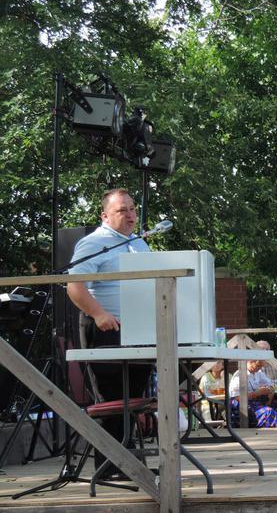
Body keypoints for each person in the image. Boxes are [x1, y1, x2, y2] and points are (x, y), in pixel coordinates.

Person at [66, 188, 152, 478]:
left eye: (132, 209)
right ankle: (107, 467)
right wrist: (99, 314)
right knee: (111, 400)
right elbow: (74, 285)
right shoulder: (94, 243)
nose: (130, 215)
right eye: (121, 210)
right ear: (104, 215)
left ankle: (128, 463)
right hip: (106, 328)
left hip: (139, 330)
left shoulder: (139, 243)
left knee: (133, 399)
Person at [228, 359, 277, 427]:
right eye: (258, 365)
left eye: (261, 366)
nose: (260, 368)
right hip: (243, 406)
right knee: (268, 411)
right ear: (250, 361)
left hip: (257, 402)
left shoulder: (258, 373)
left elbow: (270, 383)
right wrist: (256, 393)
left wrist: (270, 389)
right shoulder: (238, 376)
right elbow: (237, 398)